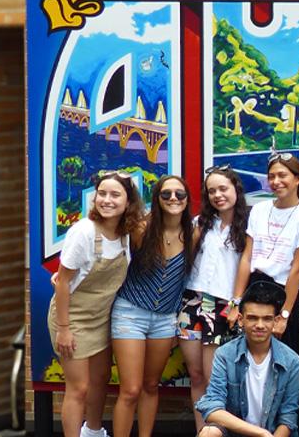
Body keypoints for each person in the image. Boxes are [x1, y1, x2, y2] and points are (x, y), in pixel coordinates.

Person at [49, 171, 144, 437]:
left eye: (115, 194)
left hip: (102, 317)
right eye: (102, 193)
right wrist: (64, 329)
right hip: (72, 318)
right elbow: (63, 282)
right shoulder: (84, 232)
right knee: (78, 388)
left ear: (128, 202)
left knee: (101, 378)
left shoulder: (126, 233)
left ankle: (93, 431)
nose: (106, 200)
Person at [112, 175, 195, 437]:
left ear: (187, 199)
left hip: (164, 319)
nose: (173, 198)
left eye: (179, 194)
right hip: (130, 312)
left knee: (151, 385)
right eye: (166, 194)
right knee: (130, 390)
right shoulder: (141, 229)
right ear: (157, 198)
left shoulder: (193, 234)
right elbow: (110, 242)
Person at [179, 165, 251, 432]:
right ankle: (202, 431)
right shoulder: (201, 222)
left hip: (222, 305)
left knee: (213, 379)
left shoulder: (248, 224)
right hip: (191, 301)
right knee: (196, 376)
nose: (218, 195)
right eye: (212, 191)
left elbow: (247, 266)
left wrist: (236, 303)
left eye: (223, 189)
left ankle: (217, 431)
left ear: (236, 190)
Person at [229, 152, 299, 357]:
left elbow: (297, 271)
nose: (276, 181)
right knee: (249, 356)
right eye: (271, 177)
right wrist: (236, 302)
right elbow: (246, 258)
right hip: (254, 286)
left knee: (281, 358)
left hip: (284, 292)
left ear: (298, 179)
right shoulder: (259, 210)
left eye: (282, 175)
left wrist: (284, 315)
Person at [195, 281, 299, 437]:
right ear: (240, 319)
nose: (260, 325)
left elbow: (288, 418)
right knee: (209, 433)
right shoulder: (225, 354)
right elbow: (212, 407)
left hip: (273, 434)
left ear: (276, 321)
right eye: (252, 318)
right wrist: (260, 433)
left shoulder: (292, 361)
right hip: (236, 433)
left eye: (267, 319)